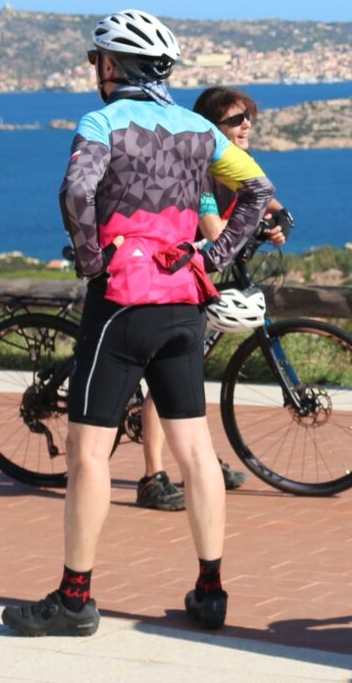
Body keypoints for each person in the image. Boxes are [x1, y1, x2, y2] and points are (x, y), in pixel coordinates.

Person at [1, 10, 274, 637]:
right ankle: (210, 591)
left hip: (121, 303)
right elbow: (258, 190)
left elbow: (75, 193)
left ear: (112, 65)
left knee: (90, 451)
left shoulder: (101, 122)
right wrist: (214, 256)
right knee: (197, 451)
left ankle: (75, 599)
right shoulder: (199, 130)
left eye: (98, 60)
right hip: (184, 301)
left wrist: (94, 258)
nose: (95, 70)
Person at [134, 86, 288, 510]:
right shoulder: (200, 173)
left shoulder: (238, 165)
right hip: (175, 278)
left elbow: (267, 201)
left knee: (189, 374)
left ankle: (197, 459)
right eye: (237, 120)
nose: (247, 126)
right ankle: (152, 477)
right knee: (168, 379)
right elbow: (211, 230)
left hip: (202, 278)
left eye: (248, 118)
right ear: (212, 129)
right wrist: (249, 232)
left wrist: (277, 223)